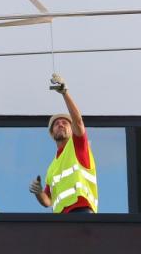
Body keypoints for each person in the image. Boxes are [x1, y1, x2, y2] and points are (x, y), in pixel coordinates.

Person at [29, 72, 98, 214]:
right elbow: (48, 201)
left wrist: (64, 93)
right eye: (57, 124)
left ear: (72, 130)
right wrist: (38, 192)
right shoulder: (52, 167)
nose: (61, 125)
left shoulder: (78, 146)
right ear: (52, 133)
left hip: (82, 212)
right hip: (62, 220)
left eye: (65, 123)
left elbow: (78, 122)